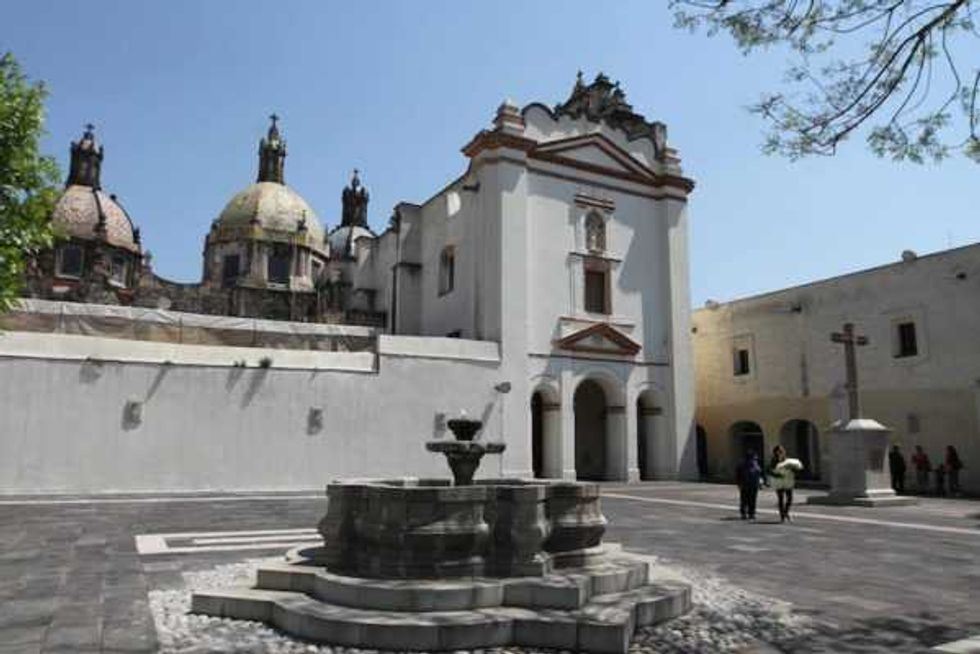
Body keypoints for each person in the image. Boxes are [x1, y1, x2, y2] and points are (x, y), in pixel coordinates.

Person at [768, 445, 798, 523]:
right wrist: (777, 475)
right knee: (781, 499)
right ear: (775, 452)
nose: (781, 452)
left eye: (782, 451)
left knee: (790, 498)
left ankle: (786, 512)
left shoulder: (787, 460)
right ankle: (782, 516)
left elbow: (793, 468)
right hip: (778, 481)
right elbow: (769, 471)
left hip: (788, 480)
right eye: (779, 451)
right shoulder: (773, 461)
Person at [735, 451, 764, 520]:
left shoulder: (754, 465)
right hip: (748, 485)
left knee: (749, 500)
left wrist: (760, 483)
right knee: (748, 500)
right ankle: (747, 513)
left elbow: (759, 475)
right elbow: (738, 475)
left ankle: (749, 513)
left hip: (750, 485)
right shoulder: (744, 465)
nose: (755, 459)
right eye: (754, 458)